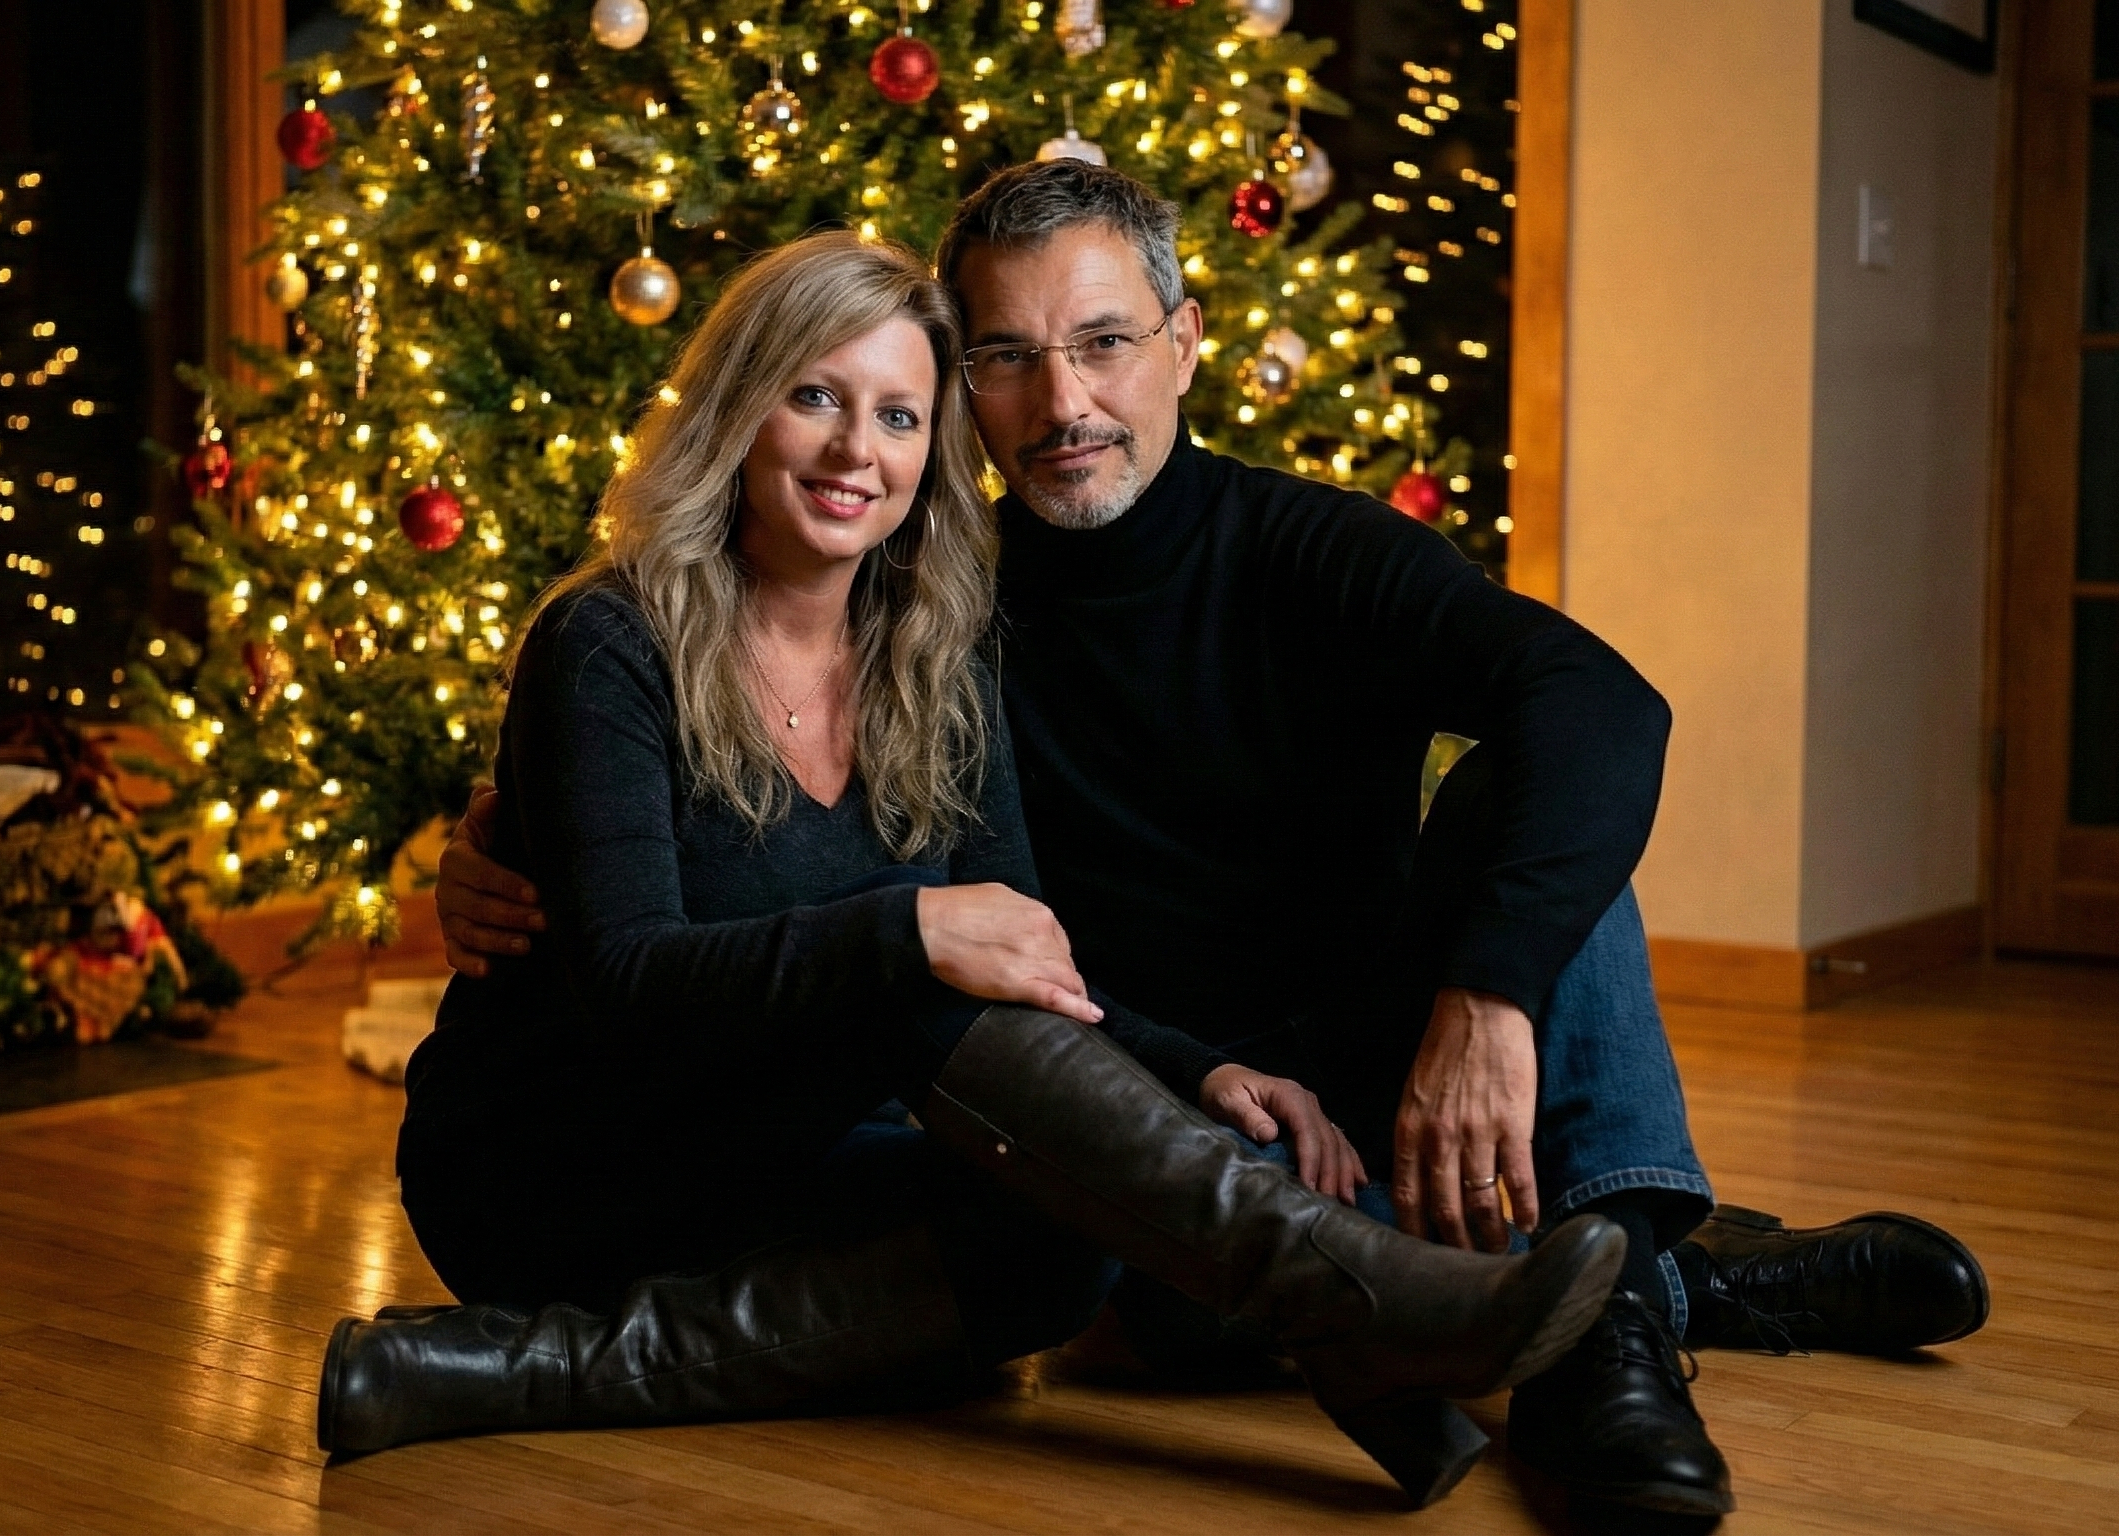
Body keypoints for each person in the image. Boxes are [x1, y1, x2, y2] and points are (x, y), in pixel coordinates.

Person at [436, 164, 1990, 1521]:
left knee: (1542, 805)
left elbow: (1601, 707)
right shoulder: (929, 609)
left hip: (1344, 1069)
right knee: (1141, 1269)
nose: (1066, 406)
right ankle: (1659, 1267)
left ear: (1184, 344)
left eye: (1106, 343)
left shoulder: (1293, 550)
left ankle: (1606, 1339)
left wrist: (1489, 999)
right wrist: (506, 849)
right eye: (1008, 360)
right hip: (1135, 1116)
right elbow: (739, 846)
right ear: (970, 387)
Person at [317, 229, 1630, 1507]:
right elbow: (627, 983)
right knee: (929, 968)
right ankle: (1362, 1310)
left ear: (933, 453)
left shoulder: (938, 655)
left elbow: (1025, 960)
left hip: (777, 1156)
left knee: (1063, 1250)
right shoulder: (610, 641)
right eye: (815, 397)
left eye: (898, 416)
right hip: (562, 1159)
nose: (855, 450)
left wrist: (1196, 1068)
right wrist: (905, 936)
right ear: (735, 413)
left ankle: (498, 1370)